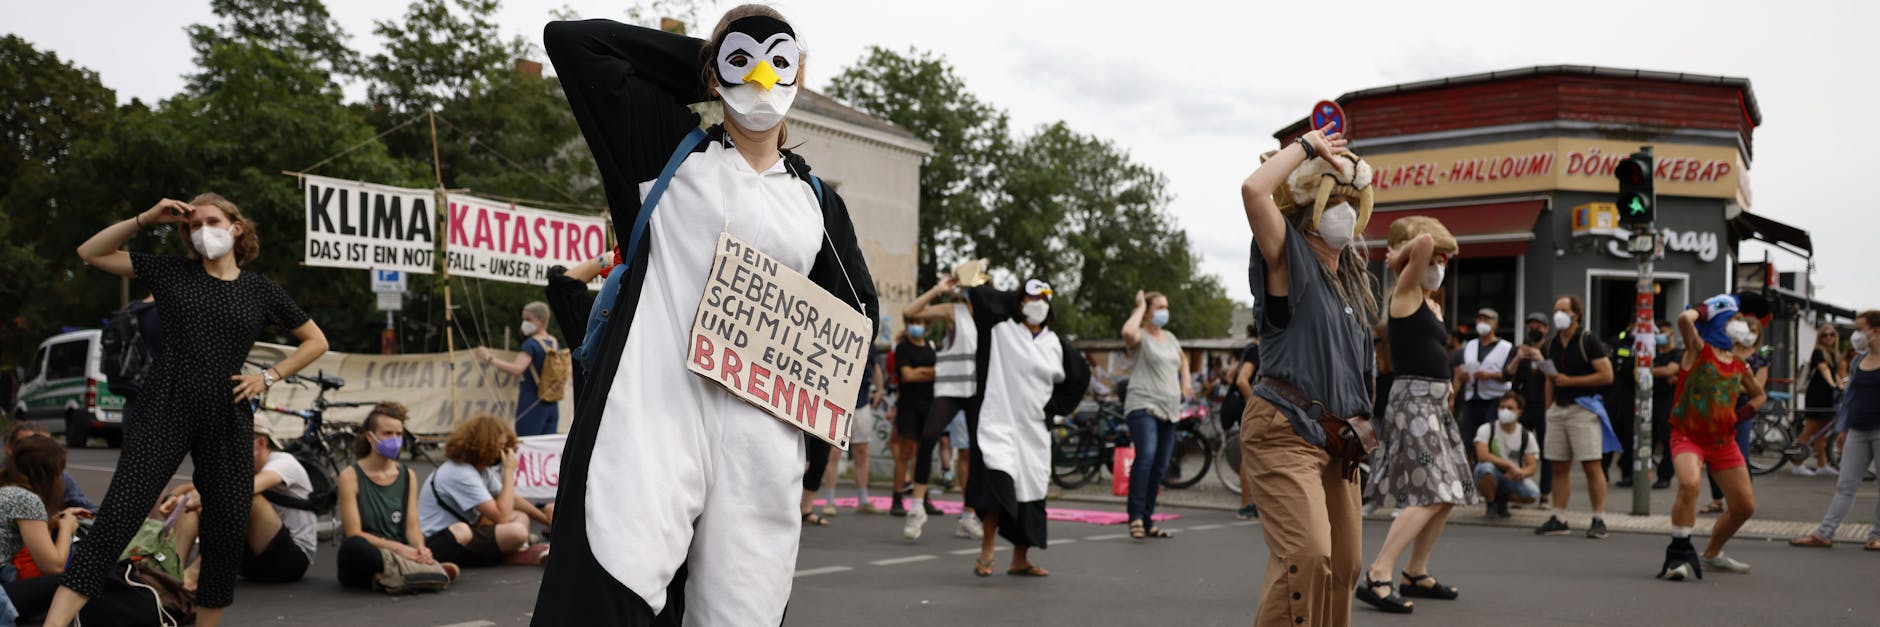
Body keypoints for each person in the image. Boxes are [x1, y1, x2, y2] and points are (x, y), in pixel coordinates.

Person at [536, 6, 881, 624]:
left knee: (742, 612)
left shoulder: (818, 203)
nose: (763, 81)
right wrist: (716, 58)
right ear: (713, 80)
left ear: (802, 73)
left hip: (761, 441)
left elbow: (856, 324)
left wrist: (813, 449)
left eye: (781, 65)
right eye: (742, 64)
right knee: (612, 588)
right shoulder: (662, 151)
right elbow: (573, 42)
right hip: (650, 420)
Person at [53, 194, 329, 627]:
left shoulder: (260, 290)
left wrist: (269, 376)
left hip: (228, 410)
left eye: (212, 221)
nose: (202, 231)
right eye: (193, 225)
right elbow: (91, 253)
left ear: (236, 227)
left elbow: (316, 341)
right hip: (166, 402)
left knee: (224, 529)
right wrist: (147, 218)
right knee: (119, 517)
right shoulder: (172, 272)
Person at [1239, 123, 1378, 626]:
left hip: (1338, 440)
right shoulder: (1290, 260)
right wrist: (1306, 147)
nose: (1343, 211)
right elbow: (1255, 191)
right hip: (1283, 432)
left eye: (1349, 201)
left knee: (1345, 566)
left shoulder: (1354, 285)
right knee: (1307, 557)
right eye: (1331, 200)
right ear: (1311, 210)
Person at [1356, 217, 1476, 614]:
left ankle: (1415, 571)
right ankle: (1378, 573)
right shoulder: (1404, 292)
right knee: (1431, 493)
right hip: (1414, 406)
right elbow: (1425, 240)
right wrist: (1399, 257)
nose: (1440, 265)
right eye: (1435, 261)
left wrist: (1449, 387)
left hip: (1435, 405)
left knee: (1448, 493)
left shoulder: (1430, 303)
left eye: (1444, 261)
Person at [965, 279, 1088, 577]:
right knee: (998, 484)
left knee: (1031, 493)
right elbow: (980, 295)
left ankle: (1020, 558)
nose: (1039, 304)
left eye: (1045, 299)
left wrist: (1053, 408)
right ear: (1019, 302)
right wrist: (1017, 296)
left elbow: (1079, 379)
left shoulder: (1056, 345)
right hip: (999, 422)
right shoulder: (1000, 330)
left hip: (1034, 431)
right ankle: (988, 548)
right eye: (1033, 298)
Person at [1659, 297, 1765, 580]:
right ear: (1719, 321)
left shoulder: (1741, 366)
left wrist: (1740, 416)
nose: (1741, 325)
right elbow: (1684, 319)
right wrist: (1705, 309)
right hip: (1688, 435)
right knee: (1689, 483)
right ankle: (1678, 555)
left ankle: (1712, 555)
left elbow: (1759, 395)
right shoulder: (1698, 350)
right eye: (1735, 318)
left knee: (1744, 507)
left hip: (1723, 442)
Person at [337, 403, 458, 590]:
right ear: (370, 437)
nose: (394, 440)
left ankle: (402, 573)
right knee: (353, 547)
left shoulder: (407, 475)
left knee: (457, 534)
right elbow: (354, 532)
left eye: (398, 434)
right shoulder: (350, 476)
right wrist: (399, 549)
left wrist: (420, 548)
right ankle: (417, 572)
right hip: (375, 553)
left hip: (402, 552)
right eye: (387, 434)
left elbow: (412, 527)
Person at [905, 272, 989, 539]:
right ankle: (917, 507)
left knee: (977, 453)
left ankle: (969, 515)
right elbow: (910, 311)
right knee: (929, 436)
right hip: (951, 389)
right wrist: (937, 289)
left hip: (977, 391)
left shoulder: (990, 317)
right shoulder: (955, 311)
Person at [1791, 310, 1880, 550]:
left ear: (1876, 331)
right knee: (1845, 484)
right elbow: (1851, 398)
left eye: (1860, 329)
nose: (1856, 335)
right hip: (1858, 430)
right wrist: (1843, 428)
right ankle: (1824, 533)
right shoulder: (1858, 360)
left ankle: (1877, 535)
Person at [419, 414, 551, 571]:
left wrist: (546, 520)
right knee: (516, 532)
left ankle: (516, 549)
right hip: (445, 538)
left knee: (520, 516)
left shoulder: (480, 470)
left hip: (467, 528)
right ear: (484, 445)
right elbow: (501, 516)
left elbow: (511, 500)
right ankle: (513, 551)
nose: (504, 453)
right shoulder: (460, 473)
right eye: (500, 447)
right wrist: (508, 472)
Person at [1533, 294, 1617, 540]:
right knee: (1559, 465)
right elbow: (1550, 378)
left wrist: (1572, 381)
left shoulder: (1589, 341)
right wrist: (1549, 409)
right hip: (1559, 409)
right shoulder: (1551, 344)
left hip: (1583, 407)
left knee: (1592, 464)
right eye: (1555, 309)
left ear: (1576, 315)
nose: (1557, 314)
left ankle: (1599, 518)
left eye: (1562, 310)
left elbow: (1606, 375)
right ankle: (1559, 517)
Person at [1121, 290, 1191, 540]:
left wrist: (1186, 382)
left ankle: (1148, 520)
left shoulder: (1170, 338)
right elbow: (1127, 333)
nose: (1165, 311)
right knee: (1147, 456)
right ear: (1149, 311)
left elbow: (1183, 359)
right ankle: (1136, 517)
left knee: (1160, 466)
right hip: (1143, 405)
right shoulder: (1140, 336)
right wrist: (1138, 308)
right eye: (1159, 307)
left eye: (1166, 306)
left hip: (1170, 409)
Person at [0, 436, 86, 621]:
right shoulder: (26, 499)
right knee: (78, 581)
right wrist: (66, 527)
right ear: (47, 473)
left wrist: (54, 521)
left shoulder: (7, 491)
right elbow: (53, 566)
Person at [1702, 316, 1768, 513]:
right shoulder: (1724, 351)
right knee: (1712, 455)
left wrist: (1730, 387)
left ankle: (1742, 497)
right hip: (1717, 411)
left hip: (1741, 411)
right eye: (1747, 329)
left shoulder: (1758, 358)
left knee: (1741, 454)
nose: (1749, 334)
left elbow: (1757, 389)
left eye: (1754, 330)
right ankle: (1717, 498)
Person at [476, 302, 563, 437]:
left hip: (532, 402)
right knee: (545, 447)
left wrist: (489, 358)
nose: (524, 323)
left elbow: (517, 369)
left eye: (528, 319)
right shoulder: (555, 343)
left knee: (526, 443)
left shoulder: (531, 344)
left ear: (542, 320)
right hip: (552, 404)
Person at [892, 319, 944, 536]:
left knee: (924, 452)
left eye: (921, 322)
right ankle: (897, 497)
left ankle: (920, 496)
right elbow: (907, 375)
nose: (917, 325)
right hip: (908, 406)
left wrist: (921, 372)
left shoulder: (931, 347)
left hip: (929, 404)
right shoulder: (903, 348)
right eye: (913, 322)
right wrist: (929, 372)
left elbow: (938, 372)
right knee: (906, 451)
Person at [1456, 309, 1513, 464]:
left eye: (1487, 319)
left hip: (1494, 399)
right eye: (1479, 319)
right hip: (1471, 398)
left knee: (1489, 438)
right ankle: (1470, 472)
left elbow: (1510, 375)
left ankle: (1488, 471)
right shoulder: (1470, 345)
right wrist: (1463, 376)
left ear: (1495, 324)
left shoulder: (1506, 347)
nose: (1482, 322)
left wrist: (1491, 376)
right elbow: (1459, 370)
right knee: (1467, 439)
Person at [1474, 394, 1541, 519]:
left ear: (1519, 412)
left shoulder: (1526, 435)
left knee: (1532, 494)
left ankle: (1502, 499)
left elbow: (1531, 466)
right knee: (1484, 469)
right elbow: (1482, 455)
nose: (1505, 411)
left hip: (1512, 477)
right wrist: (1510, 466)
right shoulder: (1487, 429)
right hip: (1493, 471)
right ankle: (1491, 505)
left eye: (1510, 408)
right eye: (1502, 407)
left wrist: (1521, 473)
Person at [1796, 324, 1846, 476]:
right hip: (1817, 394)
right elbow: (1824, 370)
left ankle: (1822, 465)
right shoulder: (1818, 352)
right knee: (1810, 428)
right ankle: (1797, 463)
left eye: (1832, 335)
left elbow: (1834, 373)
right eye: (1825, 335)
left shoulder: (1833, 354)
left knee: (1821, 432)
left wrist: (1841, 384)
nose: (1829, 337)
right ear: (1820, 337)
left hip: (1827, 395)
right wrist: (1833, 385)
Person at [1646, 321, 1682, 490]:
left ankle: (1664, 476)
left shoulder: (1677, 354)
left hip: (1669, 401)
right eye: (1657, 331)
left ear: (1671, 332)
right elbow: (1637, 370)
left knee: (1668, 440)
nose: (1660, 334)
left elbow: (1671, 371)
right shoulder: (1651, 352)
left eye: (1663, 331)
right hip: (1649, 400)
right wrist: (1665, 372)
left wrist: (1649, 370)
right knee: (1647, 438)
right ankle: (1640, 475)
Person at [1228, 333, 1261, 519]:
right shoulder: (1255, 351)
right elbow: (1241, 380)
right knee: (1249, 457)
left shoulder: (1248, 348)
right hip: (1251, 410)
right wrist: (1255, 404)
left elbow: (1230, 376)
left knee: (1252, 456)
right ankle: (1246, 504)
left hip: (1248, 409)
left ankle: (1251, 503)